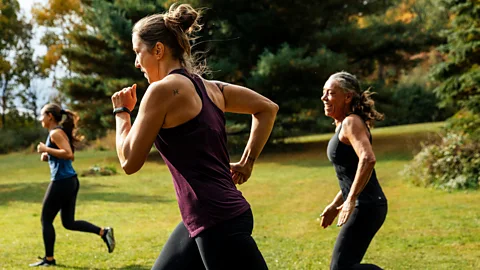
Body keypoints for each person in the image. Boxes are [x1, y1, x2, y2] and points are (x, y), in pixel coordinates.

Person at [110, 3, 278, 270]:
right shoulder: (211, 88)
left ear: (158, 50)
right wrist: (247, 161)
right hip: (211, 216)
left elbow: (129, 161)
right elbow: (267, 109)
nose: (136, 62)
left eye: (137, 52)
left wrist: (121, 112)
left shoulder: (161, 91)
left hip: (217, 221)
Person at [30, 103, 115, 267]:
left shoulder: (56, 133)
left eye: (42, 115)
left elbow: (68, 154)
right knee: (68, 223)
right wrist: (48, 154)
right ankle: (104, 232)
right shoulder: (56, 133)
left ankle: (49, 259)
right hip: (69, 181)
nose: (40, 119)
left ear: (50, 116)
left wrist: (46, 148)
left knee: (45, 219)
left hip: (62, 182)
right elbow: (64, 154)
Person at [319, 71, 388, 270]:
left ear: (347, 96)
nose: (324, 98)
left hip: (366, 205)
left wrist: (351, 200)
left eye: (330, 93)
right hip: (367, 204)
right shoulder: (343, 125)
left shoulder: (351, 122)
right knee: (344, 266)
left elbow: (368, 159)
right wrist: (335, 204)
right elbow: (351, 174)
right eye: (324, 93)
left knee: (341, 268)